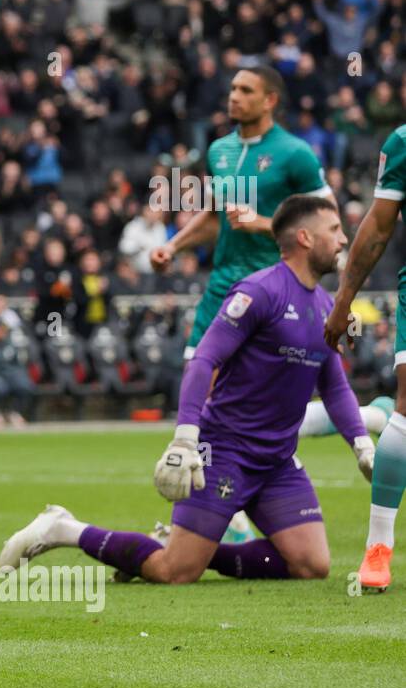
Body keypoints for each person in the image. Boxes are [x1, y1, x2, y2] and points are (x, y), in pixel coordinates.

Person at [1, 196, 372, 584]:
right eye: (334, 230)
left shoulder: (328, 305)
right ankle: (63, 529)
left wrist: (362, 445)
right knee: (175, 571)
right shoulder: (258, 292)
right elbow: (203, 361)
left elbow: (333, 384)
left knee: (312, 565)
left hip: (277, 460)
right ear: (305, 238)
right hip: (225, 448)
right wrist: (185, 439)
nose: (344, 239)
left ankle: (188, 547)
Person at [148, 63, 387, 542]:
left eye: (245, 90)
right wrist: (175, 246)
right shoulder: (220, 149)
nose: (233, 97)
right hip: (222, 287)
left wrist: (266, 224)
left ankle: (227, 512)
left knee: (262, 405)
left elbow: (327, 220)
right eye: (232, 88)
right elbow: (220, 215)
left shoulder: (295, 154)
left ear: (270, 99)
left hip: (275, 290)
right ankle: (224, 512)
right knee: (208, 389)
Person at [323, 118, 406, 590]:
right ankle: (378, 547)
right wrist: (342, 299)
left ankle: (371, 417)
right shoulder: (402, 143)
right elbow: (377, 227)